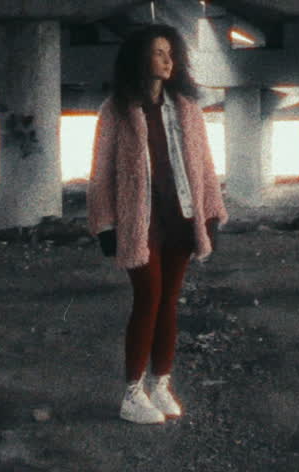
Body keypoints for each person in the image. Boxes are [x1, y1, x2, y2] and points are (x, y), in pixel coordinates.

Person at [87, 24, 228, 424]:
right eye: (159, 52)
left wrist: (211, 212)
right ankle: (132, 393)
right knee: (147, 298)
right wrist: (105, 225)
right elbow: (101, 172)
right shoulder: (116, 110)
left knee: (168, 300)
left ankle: (160, 384)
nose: (169, 60)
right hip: (140, 222)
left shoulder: (186, 109)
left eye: (171, 53)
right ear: (138, 58)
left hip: (180, 216)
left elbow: (204, 166)